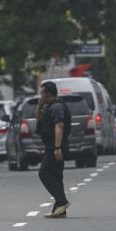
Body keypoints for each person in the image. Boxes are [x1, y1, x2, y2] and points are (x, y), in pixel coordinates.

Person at [35, 80, 71, 218]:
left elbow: (59, 126)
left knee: (44, 173)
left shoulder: (57, 108)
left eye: (42, 93)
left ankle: (62, 201)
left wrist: (57, 148)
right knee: (56, 175)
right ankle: (60, 209)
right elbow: (39, 121)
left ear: (48, 93)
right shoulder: (48, 107)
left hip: (55, 146)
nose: (40, 95)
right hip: (51, 145)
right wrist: (39, 106)